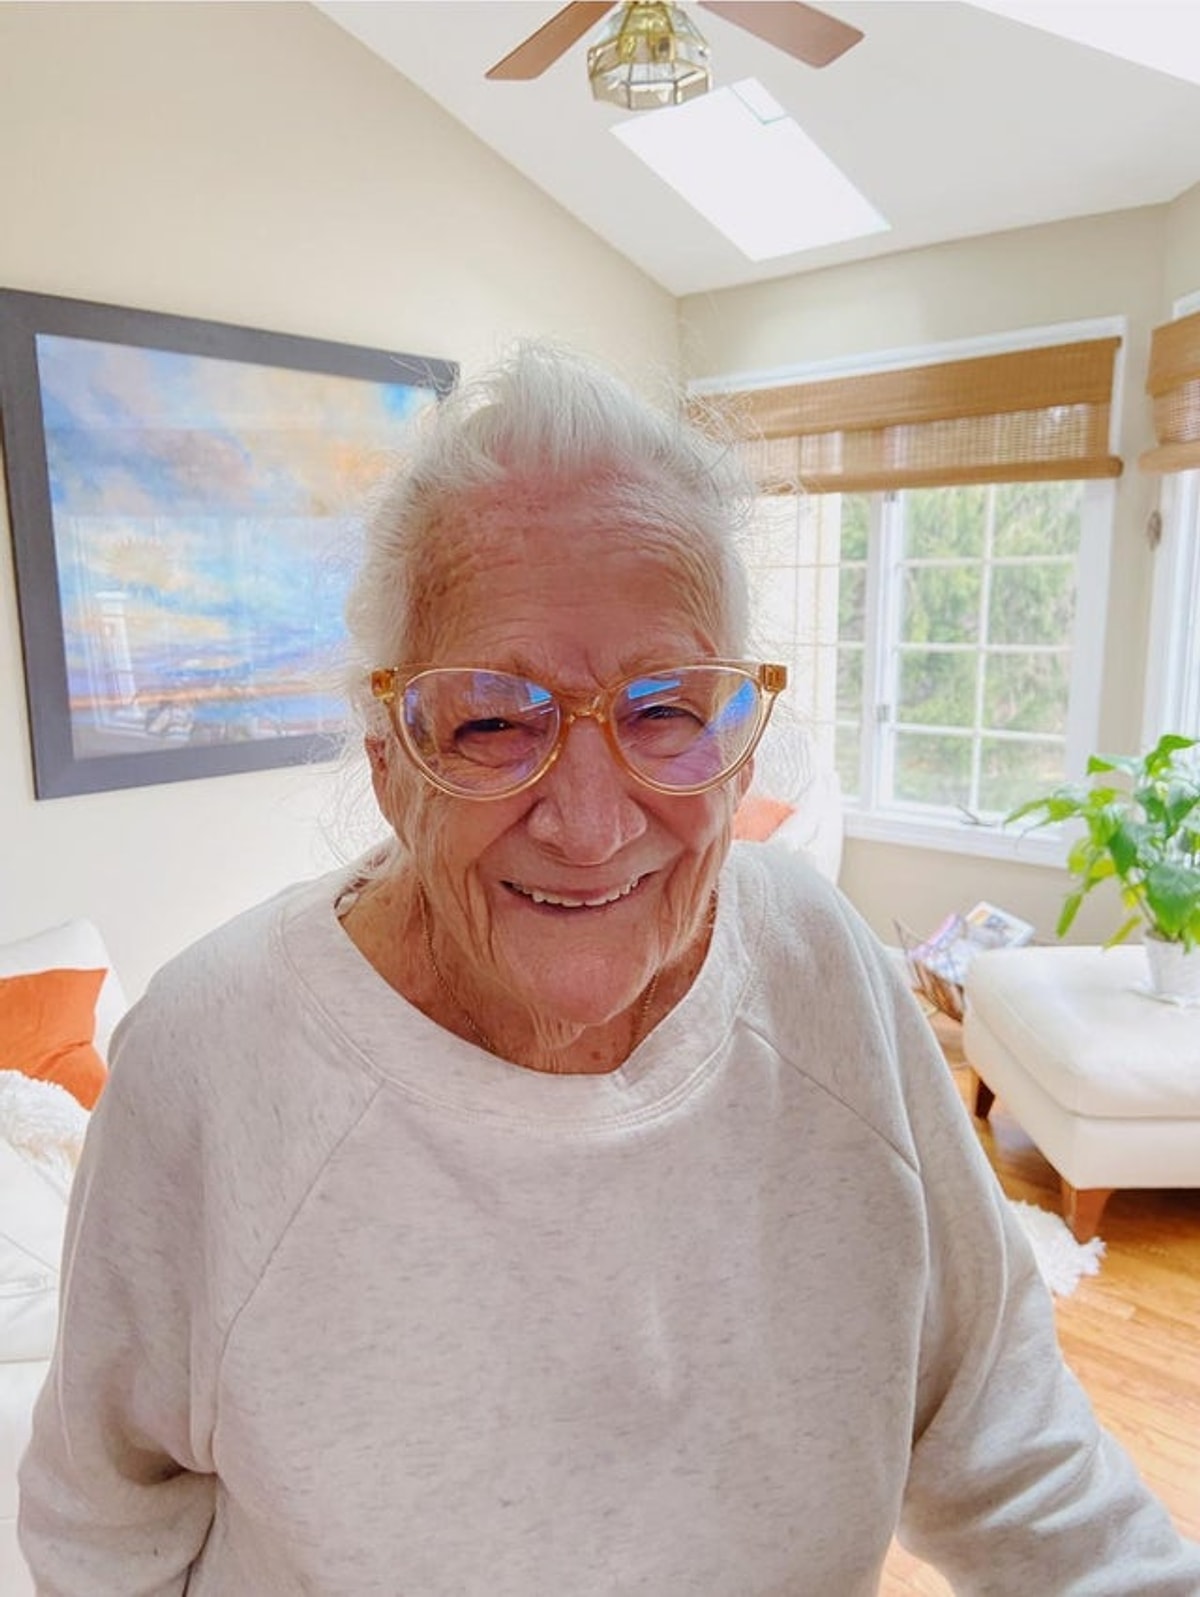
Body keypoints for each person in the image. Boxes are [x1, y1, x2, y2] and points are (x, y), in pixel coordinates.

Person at [18, 344, 1200, 1597]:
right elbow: (101, 1535)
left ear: (740, 748)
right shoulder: (210, 1060)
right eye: (493, 717)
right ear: (388, 760)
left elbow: (1006, 1436)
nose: (590, 826)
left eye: (665, 708)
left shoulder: (824, 970)